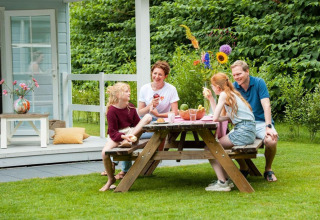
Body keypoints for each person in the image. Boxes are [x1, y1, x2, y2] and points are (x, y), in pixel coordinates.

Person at [102, 61, 180, 179]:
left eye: (160, 74)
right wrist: (150, 107)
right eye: (155, 73)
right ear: (151, 73)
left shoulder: (171, 89)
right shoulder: (145, 88)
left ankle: (117, 164)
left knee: (131, 136)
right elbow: (139, 112)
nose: (157, 77)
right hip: (143, 120)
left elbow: (175, 112)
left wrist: (159, 114)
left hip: (162, 121)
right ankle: (120, 166)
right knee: (130, 135)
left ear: (165, 76)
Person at [203, 73, 256, 192]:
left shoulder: (223, 94)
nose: (212, 88)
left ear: (217, 86)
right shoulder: (231, 93)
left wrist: (220, 116)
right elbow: (224, 116)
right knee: (214, 147)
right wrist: (211, 98)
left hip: (243, 131)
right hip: (248, 130)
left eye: (212, 85)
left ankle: (222, 182)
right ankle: (225, 180)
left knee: (209, 148)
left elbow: (216, 118)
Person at [231, 60, 278, 182]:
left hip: (261, 123)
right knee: (226, 142)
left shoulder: (258, 83)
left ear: (247, 71)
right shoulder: (233, 87)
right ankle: (244, 167)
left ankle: (268, 169)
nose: (236, 77)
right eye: (234, 75)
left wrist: (268, 126)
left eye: (239, 74)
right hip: (244, 125)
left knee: (271, 141)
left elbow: (266, 105)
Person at [99, 82, 152, 191]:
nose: (129, 93)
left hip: (131, 132)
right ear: (118, 95)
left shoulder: (131, 107)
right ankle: (110, 179)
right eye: (126, 91)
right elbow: (112, 133)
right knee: (104, 153)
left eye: (129, 91)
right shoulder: (111, 111)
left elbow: (137, 123)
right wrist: (124, 137)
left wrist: (132, 134)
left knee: (147, 117)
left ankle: (128, 141)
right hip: (118, 136)